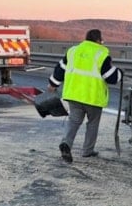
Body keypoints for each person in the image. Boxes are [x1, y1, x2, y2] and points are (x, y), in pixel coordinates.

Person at [48, 29, 119, 163]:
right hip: (93, 98)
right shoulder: (101, 53)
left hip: (74, 95)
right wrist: (120, 73)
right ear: (98, 40)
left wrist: (53, 84)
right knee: (92, 124)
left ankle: (66, 143)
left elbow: (60, 69)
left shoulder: (73, 51)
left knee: (74, 121)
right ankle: (87, 150)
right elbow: (111, 77)